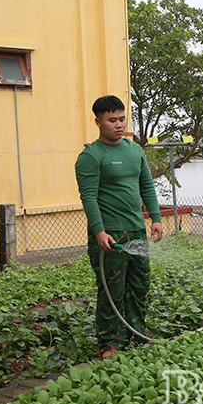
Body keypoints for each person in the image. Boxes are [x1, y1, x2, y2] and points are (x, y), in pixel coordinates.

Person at [75, 95, 163, 359]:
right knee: (112, 290)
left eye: (122, 118)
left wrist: (156, 218)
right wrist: (99, 230)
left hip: (136, 230)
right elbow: (88, 197)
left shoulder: (134, 150)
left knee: (139, 286)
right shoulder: (91, 156)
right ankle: (110, 343)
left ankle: (138, 334)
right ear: (98, 122)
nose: (118, 124)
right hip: (109, 235)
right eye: (111, 120)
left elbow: (146, 186)